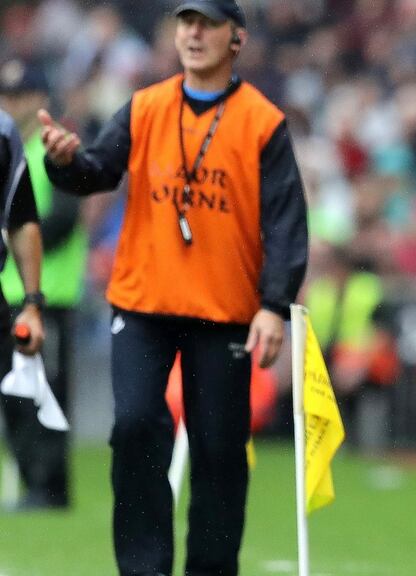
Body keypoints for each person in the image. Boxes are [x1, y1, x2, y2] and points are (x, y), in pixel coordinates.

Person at [39, 1, 308, 574]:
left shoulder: (262, 122)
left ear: (236, 39)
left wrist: (273, 306)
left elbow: (285, 222)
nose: (193, 33)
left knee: (218, 451)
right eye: (186, 22)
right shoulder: (145, 107)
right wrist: (64, 162)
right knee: (134, 427)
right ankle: (144, 568)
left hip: (225, 311)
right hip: (143, 304)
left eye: (207, 24)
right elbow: (97, 171)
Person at [0, 59, 86, 510]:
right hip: (7, 293)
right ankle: (35, 481)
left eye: (22, 95)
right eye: (8, 95)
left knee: (46, 391)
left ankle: (51, 487)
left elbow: (64, 220)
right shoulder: (7, 148)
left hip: (50, 294)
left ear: (41, 100)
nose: (13, 104)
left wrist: (12, 232)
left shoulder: (55, 149)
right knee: (14, 393)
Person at [0, 99, 48, 509]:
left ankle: (42, 487)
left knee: (16, 403)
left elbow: (21, 219)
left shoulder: (2, 132)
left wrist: (32, 301)